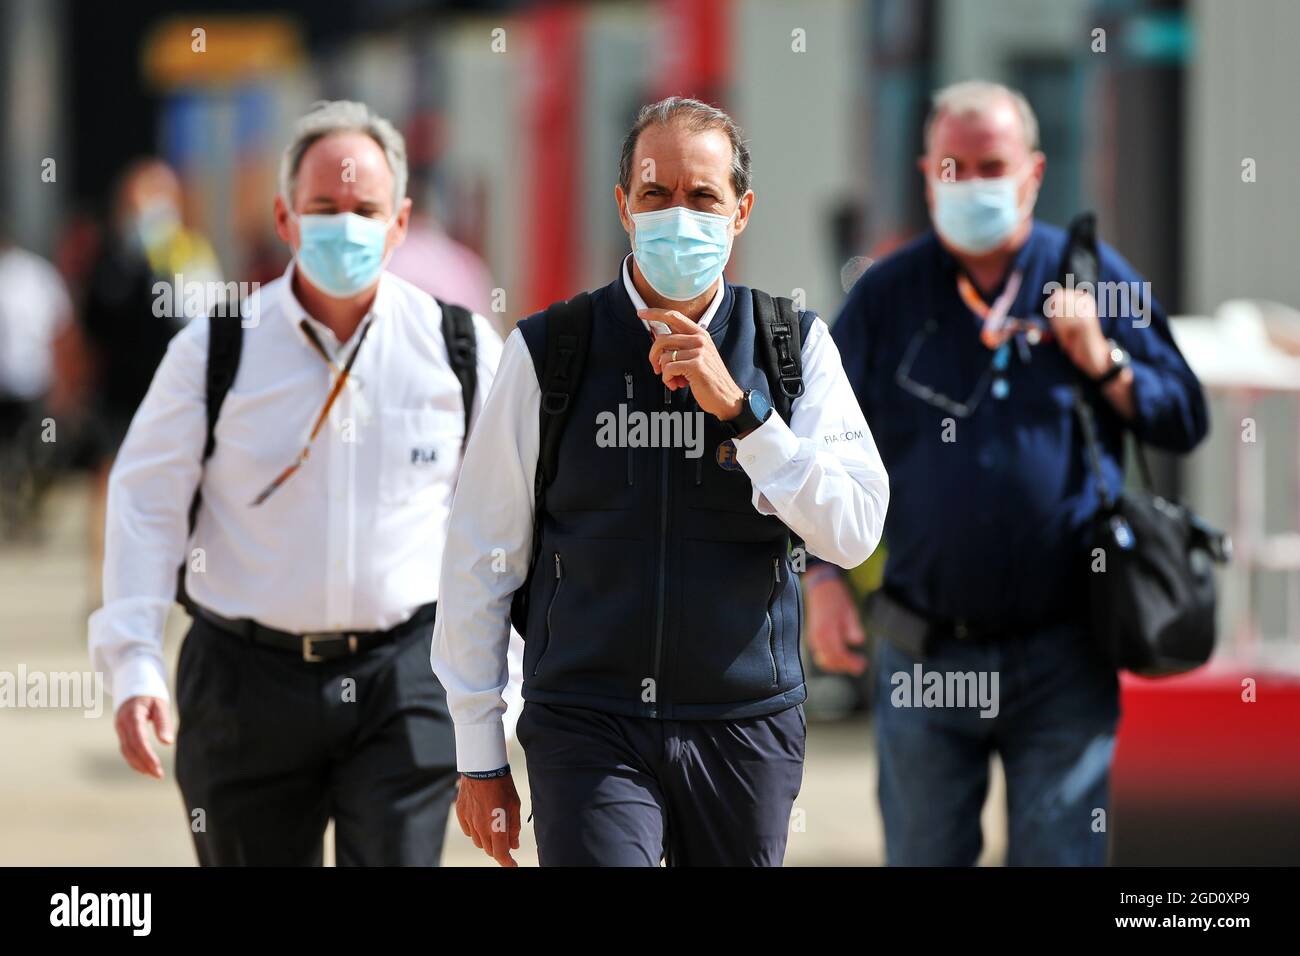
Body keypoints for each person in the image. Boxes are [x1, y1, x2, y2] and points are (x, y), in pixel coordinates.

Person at [432, 96, 890, 867]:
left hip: (745, 726)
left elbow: (852, 528)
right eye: (656, 194)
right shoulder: (551, 351)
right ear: (623, 206)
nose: (680, 215)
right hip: (587, 722)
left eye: (703, 196)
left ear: (741, 211)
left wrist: (745, 418)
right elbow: (481, 558)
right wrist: (479, 752)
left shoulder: (792, 347)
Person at [88, 100, 504, 866]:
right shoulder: (214, 349)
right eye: (323, 208)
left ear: (401, 221)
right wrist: (134, 657)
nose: (345, 226)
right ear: (284, 218)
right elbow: (146, 505)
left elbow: (509, 521)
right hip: (244, 684)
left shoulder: (461, 348)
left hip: (404, 678)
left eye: (363, 209)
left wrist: (504, 688)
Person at [806, 81, 1208, 865]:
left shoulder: (1090, 276)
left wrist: (1105, 360)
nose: (972, 184)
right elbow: (817, 447)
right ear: (926, 173)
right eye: (953, 167)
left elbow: (1185, 415)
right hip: (924, 651)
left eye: (992, 165)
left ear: (1034, 172)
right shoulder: (887, 295)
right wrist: (821, 577)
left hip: (1063, 652)